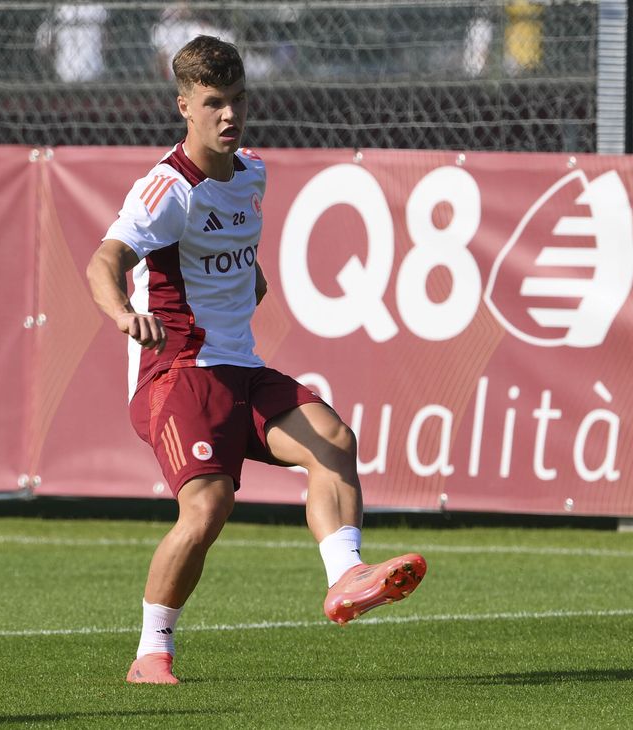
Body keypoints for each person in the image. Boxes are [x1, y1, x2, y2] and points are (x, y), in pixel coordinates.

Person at [85, 35, 427, 686]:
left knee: (333, 439)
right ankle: (151, 652)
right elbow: (105, 261)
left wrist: (253, 278)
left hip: (238, 366)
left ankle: (346, 577)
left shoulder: (250, 173)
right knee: (208, 505)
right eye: (214, 103)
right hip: (178, 372)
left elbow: (230, 245)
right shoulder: (166, 190)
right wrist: (124, 314)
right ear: (184, 106)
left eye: (238, 100)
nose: (229, 115)